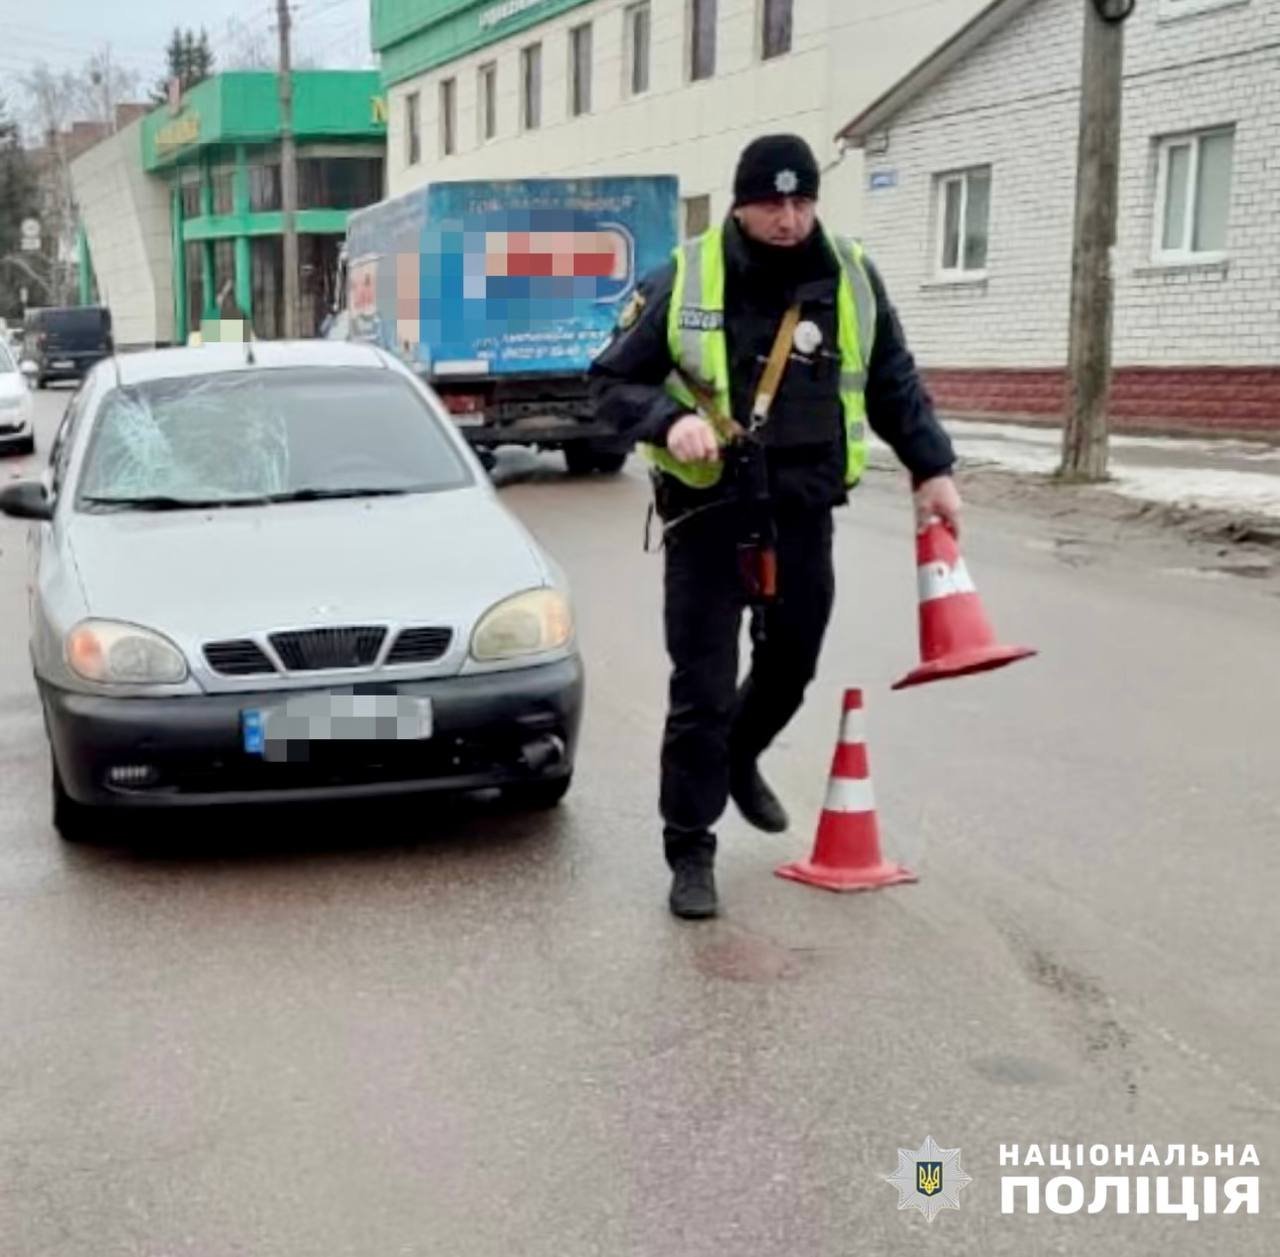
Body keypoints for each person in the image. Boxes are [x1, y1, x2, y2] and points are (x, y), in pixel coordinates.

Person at [589, 135, 961, 920]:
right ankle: (691, 847)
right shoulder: (688, 275)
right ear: (741, 204)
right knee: (703, 689)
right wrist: (668, 419)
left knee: (792, 662)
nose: (789, 219)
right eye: (771, 204)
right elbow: (610, 381)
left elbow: (893, 376)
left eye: (801, 202)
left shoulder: (851, 273)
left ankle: (740, 755)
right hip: (709, 512)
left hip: (802, 505)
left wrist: (933, 467)